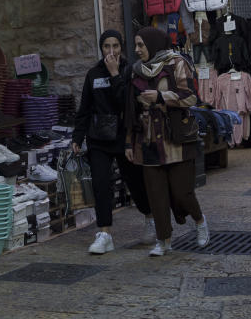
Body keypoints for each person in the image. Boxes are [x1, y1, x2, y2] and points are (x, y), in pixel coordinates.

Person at [125, 27, 208, 257]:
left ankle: (200, 222)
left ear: (153, 44)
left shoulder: (177, 62)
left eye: (141, 45)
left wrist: (161, 97)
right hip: (148, 139)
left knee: (182, 192)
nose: (138, 49)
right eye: (137, 45)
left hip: (176, 138)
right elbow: (130, 110)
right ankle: (164, 240)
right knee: (156, 193)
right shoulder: (136, 71)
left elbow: (191, 96)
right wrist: (129, 142)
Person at [72, 29, 155, 255]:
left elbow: (126, 104)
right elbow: (85, 108)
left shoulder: (130, 70)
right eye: (106, 46)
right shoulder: (93, 74)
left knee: (135, 181)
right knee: (100, 184)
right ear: (101, 49)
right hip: (98, 138)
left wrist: (115, 73)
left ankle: (150, 217)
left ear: (121, 47)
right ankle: (105, 233)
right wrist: (77, 137)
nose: (111, 51)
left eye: (115, 46)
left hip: (124, 136)